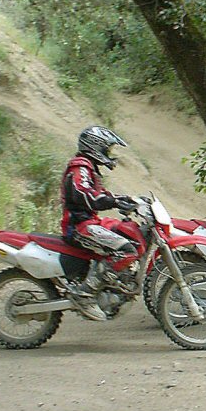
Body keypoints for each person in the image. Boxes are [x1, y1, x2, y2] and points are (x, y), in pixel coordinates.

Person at [61, 125, 136, 320]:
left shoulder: (88, 166)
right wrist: (112, 201)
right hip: (79, 226)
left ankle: (115, 282)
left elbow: (98, 194)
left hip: (90, 221)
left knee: (127, 233)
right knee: (126, 249)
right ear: (96, 146)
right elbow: (83, 194)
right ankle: (85, 293)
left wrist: (125, 199)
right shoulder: (80, 167)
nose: (108, 153)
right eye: (107, 148)